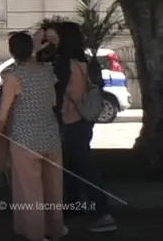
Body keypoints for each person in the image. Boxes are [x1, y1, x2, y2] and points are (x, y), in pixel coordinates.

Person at [0, 31, 66, 241]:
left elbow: (2, 114)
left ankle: (35, 234)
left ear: (11, 51)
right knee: (54, 188)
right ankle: (56, 229)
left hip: (24, 140)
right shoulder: (47, 71)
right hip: (50, 136)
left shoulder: (13, 76)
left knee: (30, 192)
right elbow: (53, 102)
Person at [51, 21, 116, 233]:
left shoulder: (65, 65)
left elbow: (59, 94)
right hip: (83, 120)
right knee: (73, 166)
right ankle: (75, 207)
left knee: (83, 167)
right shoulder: (84, 63)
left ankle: (103, 213)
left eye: (55, 37)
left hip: (71, 120)